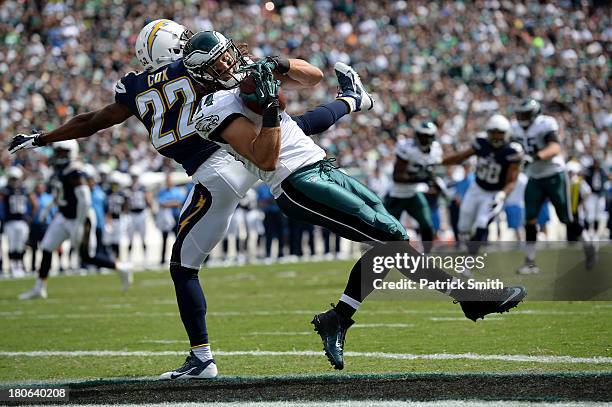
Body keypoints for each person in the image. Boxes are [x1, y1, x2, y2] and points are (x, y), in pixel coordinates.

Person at [8, 19, 369, 379]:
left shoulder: (135, 87)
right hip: (237, 158)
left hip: (214, 174)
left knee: (183, 267)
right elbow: (264, 82)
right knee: (293, 126)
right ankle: (351, 100)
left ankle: (201, 358)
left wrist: (42, 138)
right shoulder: (202, 61)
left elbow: (92, 121)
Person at [188, 30, 526, 371]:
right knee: (391, 235)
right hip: (294, 182)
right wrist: (272, 109)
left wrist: (280, 64)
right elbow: (265, 159)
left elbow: (313, 76)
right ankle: (470, 298)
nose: (228, 62)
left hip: (322, 166)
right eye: (217, 61)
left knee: (387, 242)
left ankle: (339, 318)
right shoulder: (211, 108)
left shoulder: (251, 71)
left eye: (226, 53)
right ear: (203, 72)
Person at [17, 141, 132, 300]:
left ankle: (121, 267)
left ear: (70, 152)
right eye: (57, 151)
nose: (58, 155)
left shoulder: (75, 171)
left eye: (62, 152)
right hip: (63, 216)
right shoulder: (60, 169)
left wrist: (79, 223)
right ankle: (39, 288)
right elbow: (60, 193)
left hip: (80, 217)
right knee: (46, 248)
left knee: (86, 256)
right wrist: (49, 208)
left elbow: (85, 200)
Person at [442, 114, 523, 255]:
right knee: (463, 226)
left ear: (506, 134)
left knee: (482, 222)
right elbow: (462, 156)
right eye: (493, 133)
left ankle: (469, 261)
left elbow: (512, 181)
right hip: (476, 188)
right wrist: (441, 162)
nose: (496, 137)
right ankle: (468, 249)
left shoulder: (512, 152)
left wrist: (502, 194)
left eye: (500, 133)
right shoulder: (481, 143)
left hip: (493, 192)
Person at [511, 99, 572, 274]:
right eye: (520, 114)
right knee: (529, 219)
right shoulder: (514, 128)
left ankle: (587, 244)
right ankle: (530, 262)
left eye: (525, 114)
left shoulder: (545, 124)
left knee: (565, 218)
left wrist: (535, 157)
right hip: (534, 176)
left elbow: (554, 147)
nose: (521, 117)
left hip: (554, 173)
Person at [385, 121, 441, 252]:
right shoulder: (407, 147)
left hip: (413, 194)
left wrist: (432, 183)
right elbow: (397, 176)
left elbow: (430, 173)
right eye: (422, 136)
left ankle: (427, 256)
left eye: (428, 136)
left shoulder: (435, 150)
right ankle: (383, 257)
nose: (425, 139)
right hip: (396, 196)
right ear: (416, 135)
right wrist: (420, 178)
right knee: (388, 231)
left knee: (427, 226)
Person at [0, 167, 37, 277]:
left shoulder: (24, 189)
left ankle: (20, 266)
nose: (14, 181)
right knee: (12, 245)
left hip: (22, 221)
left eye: (16, 179)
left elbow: (35, 203)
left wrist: (30, 217)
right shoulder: (5, 190)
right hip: (10, 221)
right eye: (12, 178)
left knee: (21, 245)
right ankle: (12, 266)